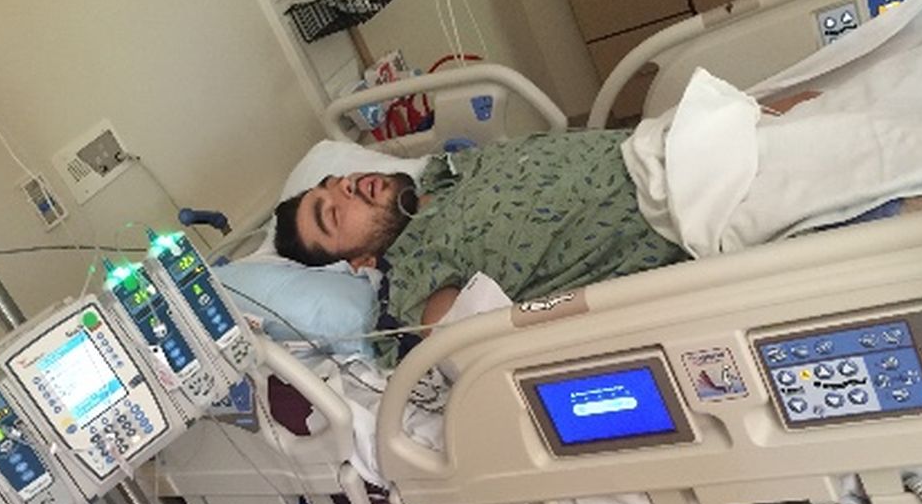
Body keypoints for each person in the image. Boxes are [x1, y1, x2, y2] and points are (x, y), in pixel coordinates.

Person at [272, 129, 688, 364]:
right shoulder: (416, 272)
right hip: (682, 208)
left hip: (672, 138)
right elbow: (469, 352)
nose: (346, 187)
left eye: (336, 183)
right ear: (361, 261)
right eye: (333, 214)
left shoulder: (444, 172)